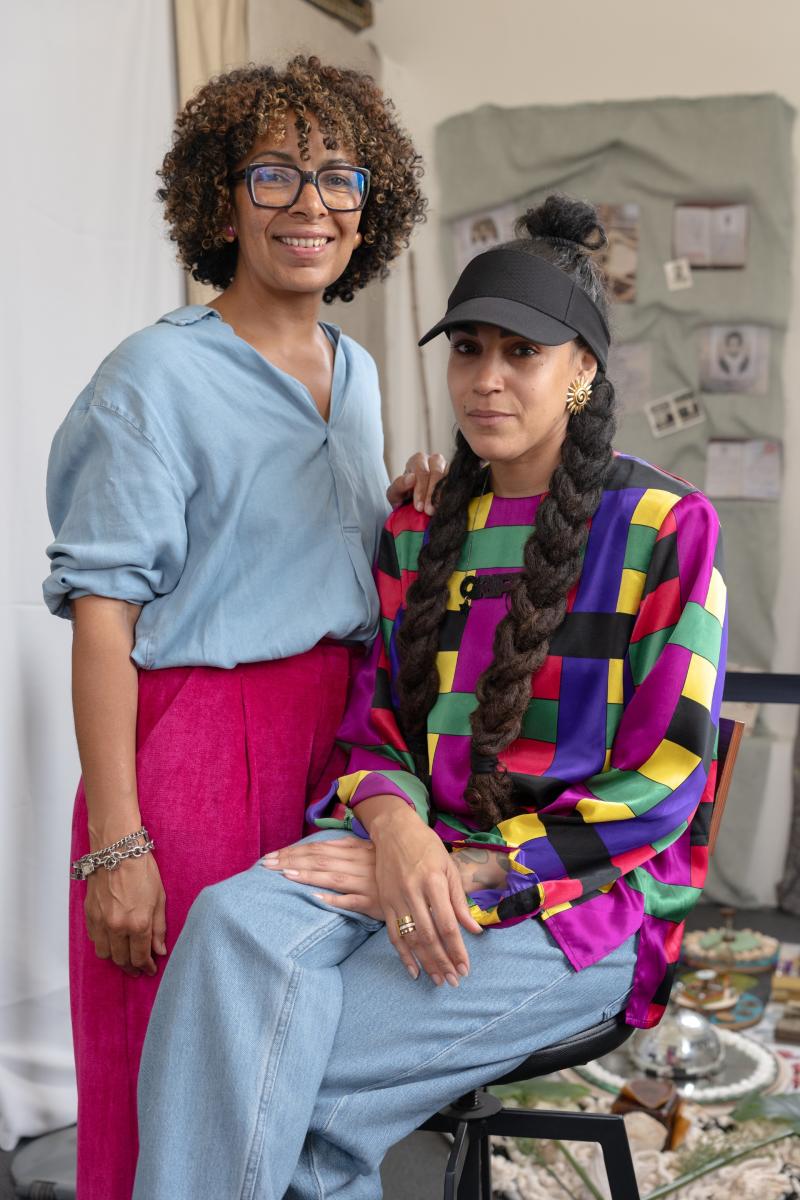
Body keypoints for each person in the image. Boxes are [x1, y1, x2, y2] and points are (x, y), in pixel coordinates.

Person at [132, 195, 727, 1200]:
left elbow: (665, 782)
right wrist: (400, 833)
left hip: (578, 903)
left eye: (520, 354)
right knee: (230, 924)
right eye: (467, 350)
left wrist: (469, 862)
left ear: (579, 371)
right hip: (406, 853)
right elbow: (372, 728)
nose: (485, 379)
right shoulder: (417, 532)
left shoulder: (666, 528)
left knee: (288, 1087)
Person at [43, 56, 441, 1200]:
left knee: (296, 1077)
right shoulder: (152, 378)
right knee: (174, 1080)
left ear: (371, 204)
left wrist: (400, 521)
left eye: (336, 177)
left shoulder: (356, 371)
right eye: (273, 174)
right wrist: (117, 846)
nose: (308, 204)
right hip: (198, 753)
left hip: (340, 750)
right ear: (222, 200)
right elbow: (103, 619)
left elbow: (313, 555)